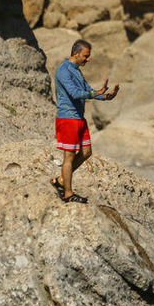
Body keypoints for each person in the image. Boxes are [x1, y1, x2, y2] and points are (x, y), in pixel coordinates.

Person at [50, 39, 120, 204]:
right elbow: (75, 93)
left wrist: (106, 96)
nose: (88, 59)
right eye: (86, 56)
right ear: (76, 53)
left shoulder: (76, 70)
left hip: (79, 118)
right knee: (69, 157)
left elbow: (89, 91)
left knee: (87, 152)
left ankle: (61, 180)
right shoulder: (63, 71)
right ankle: (67, 193)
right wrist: (95, 93)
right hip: (68, 118)